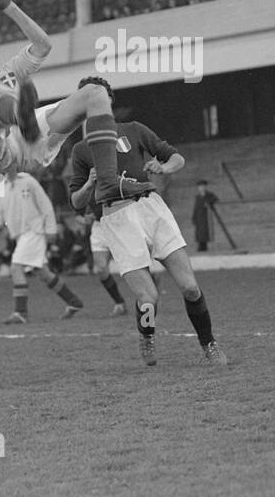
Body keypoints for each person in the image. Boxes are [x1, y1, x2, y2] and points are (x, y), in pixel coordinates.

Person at [0, 0, 154, 208]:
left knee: (95, 93)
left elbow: (43, 45)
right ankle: (17, 113)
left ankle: (109, 183)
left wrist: (8, 5)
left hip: (33, 135)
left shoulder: (10, 69)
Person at [70, 77, 226, 367]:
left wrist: (163, 166)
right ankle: (147, 334)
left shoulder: (134, 130)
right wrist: (89, 185)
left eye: (98, 95)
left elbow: (176, 157)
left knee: (190, 288)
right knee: (148, 297)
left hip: (151, 208)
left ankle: (210, 345)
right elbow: (75, 202)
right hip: (115, 217)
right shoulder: (81, 150)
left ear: (108, 100)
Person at [0, 170, 83, 324]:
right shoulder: (0, 186)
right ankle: (74, 302)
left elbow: (46, 205)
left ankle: (21, 312)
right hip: (20, 235)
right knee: (43, 272)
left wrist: (51, 229)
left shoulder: (29, 181)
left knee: (16, 268)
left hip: (34, 231)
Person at [192, 180, 218, 252]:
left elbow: (215, 199)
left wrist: (208, 203)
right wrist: (194, 217)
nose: (201, 188)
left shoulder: (209, 195)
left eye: (203, 186)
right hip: (199, 217)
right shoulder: (197, 197)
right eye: (200, 187)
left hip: (206, 216)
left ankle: (204, 246)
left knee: (205, 231)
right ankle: (201, 245)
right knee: (199, 232)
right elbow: (195, 208)